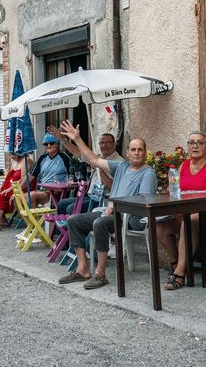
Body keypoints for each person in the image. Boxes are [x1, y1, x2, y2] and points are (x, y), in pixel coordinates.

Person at [57, 119, 156, 290]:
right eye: (133, 149)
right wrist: (77, 139)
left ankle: (100, 274)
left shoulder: (147, 173)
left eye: (140, 149)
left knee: (100, 223)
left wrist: (116, 205)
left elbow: (143, 202)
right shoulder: (122, 167)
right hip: (113, 212)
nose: (137, 153)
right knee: (74, 220)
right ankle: (82, 269)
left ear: (145, 152)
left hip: (131, 217)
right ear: (127, 152)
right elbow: (94, 160)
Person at [156, 131, 206, 290]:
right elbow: (175, 190)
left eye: (200, 143)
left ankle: (180, 272)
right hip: (184, 212)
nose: (195, 146)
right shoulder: (183, 165)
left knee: (190, 220)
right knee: (159, 226)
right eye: (191, 142)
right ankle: (175, 262)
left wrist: (189, 211)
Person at [47, 126, 124, 215]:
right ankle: (62, 229)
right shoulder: (98, 157)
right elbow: (78, 153)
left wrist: (100, 170)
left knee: (70, 208)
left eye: (107, 143)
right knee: (61, 204)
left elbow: (115, 187)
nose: (104, 145)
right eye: (101, 143)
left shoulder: (119, 162)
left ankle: (73, 227)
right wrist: (63, 140)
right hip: (89, 196)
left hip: (102, 201)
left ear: (114, 144)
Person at [0, 153, 35, 232]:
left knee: (2, 195)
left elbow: (23, 180)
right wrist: (1, 188)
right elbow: (8, 178)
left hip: (22, 188)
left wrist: (9, 189)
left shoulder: (26, 160)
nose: (10, 156)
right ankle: (3, 219)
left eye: (11, 154)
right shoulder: (14, 162)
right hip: (13, 187)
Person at [22, 132, 70, 207]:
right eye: (46, 144)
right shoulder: (42, 158)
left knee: (30, 197)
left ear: (57, 144)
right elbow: (31, 175)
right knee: (18, 198)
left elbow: (72, 176)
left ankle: (37, 218)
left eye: (51, 143)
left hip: (57, 192)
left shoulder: (64, 157)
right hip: (43, 190)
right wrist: (17, 189)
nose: (48, 146)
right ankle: (36, 218)